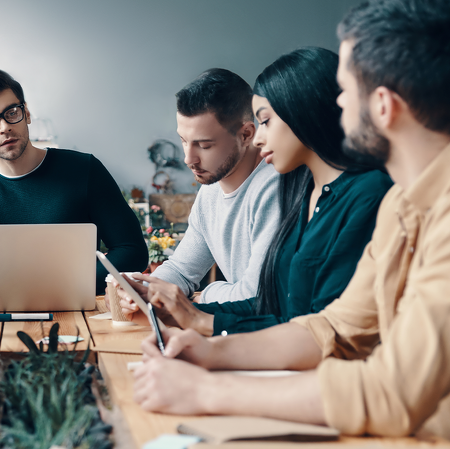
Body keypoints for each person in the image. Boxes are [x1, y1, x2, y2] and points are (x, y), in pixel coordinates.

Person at [132, 0, 450, 438]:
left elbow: (392, 393)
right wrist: (211, 354)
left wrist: (206, 390)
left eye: (345, 90)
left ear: (383, 105)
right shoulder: (403, 203)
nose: (336, 103)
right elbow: (333, 327)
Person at [118, 48, 393, 336]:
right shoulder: (309, 193)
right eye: (184, 141)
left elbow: (288, 313)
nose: (188, 159)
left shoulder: (297, 187)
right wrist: (155, 294)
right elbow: (290, 314)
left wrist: (199, 304)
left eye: (266, 121)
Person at [0, 68, 147, 294]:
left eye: (12, 112)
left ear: (27, 114)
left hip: (77, 310)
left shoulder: (84, 170)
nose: (5, 127)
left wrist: (68, 286)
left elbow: (132, 251)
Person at [146, 69, 281, 305]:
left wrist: (206, 295)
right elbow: (181, 270)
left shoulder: (274, 188)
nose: (189, 159)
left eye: (204, 145)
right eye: (184, 141)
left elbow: (257, 296)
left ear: (246, 134)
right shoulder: (210, 190)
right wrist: (146, 289)